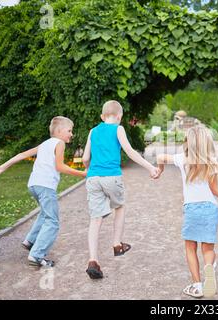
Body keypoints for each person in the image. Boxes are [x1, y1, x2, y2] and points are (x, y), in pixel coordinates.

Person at [156, 125, 218, 298]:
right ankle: (209, 268)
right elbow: (215, 189)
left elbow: (160, 156)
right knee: (208, 249)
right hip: (210, 208)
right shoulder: (211, 162)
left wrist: (160, 169)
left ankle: (197, 286)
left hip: (191, 209)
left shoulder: (182, 159)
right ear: (207, 143)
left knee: (190, 248)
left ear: (188, 143)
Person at [0, 116, 87, 267]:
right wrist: (83, 174)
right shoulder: (59, 143)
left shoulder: (45, 144)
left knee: (45, 213)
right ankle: (36, 255)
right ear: (59, 131)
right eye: (69, 130)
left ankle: (30, 241)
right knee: (52, 221)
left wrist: (3, 166)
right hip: (46, 187)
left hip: (34, 185)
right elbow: (60, 167)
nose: (71, 134)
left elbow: (21, 155)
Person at [82, 100, 160, 279]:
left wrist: (88, 169)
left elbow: (86, 157)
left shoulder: (92, 131)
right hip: (111, 176)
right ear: (119, 116)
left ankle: (93, 260)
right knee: (120, 206)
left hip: (93, 178)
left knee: (95, 219)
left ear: (102, 116)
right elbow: (130, 151)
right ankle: (117, 244)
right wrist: (149, 167)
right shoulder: (118, 129)